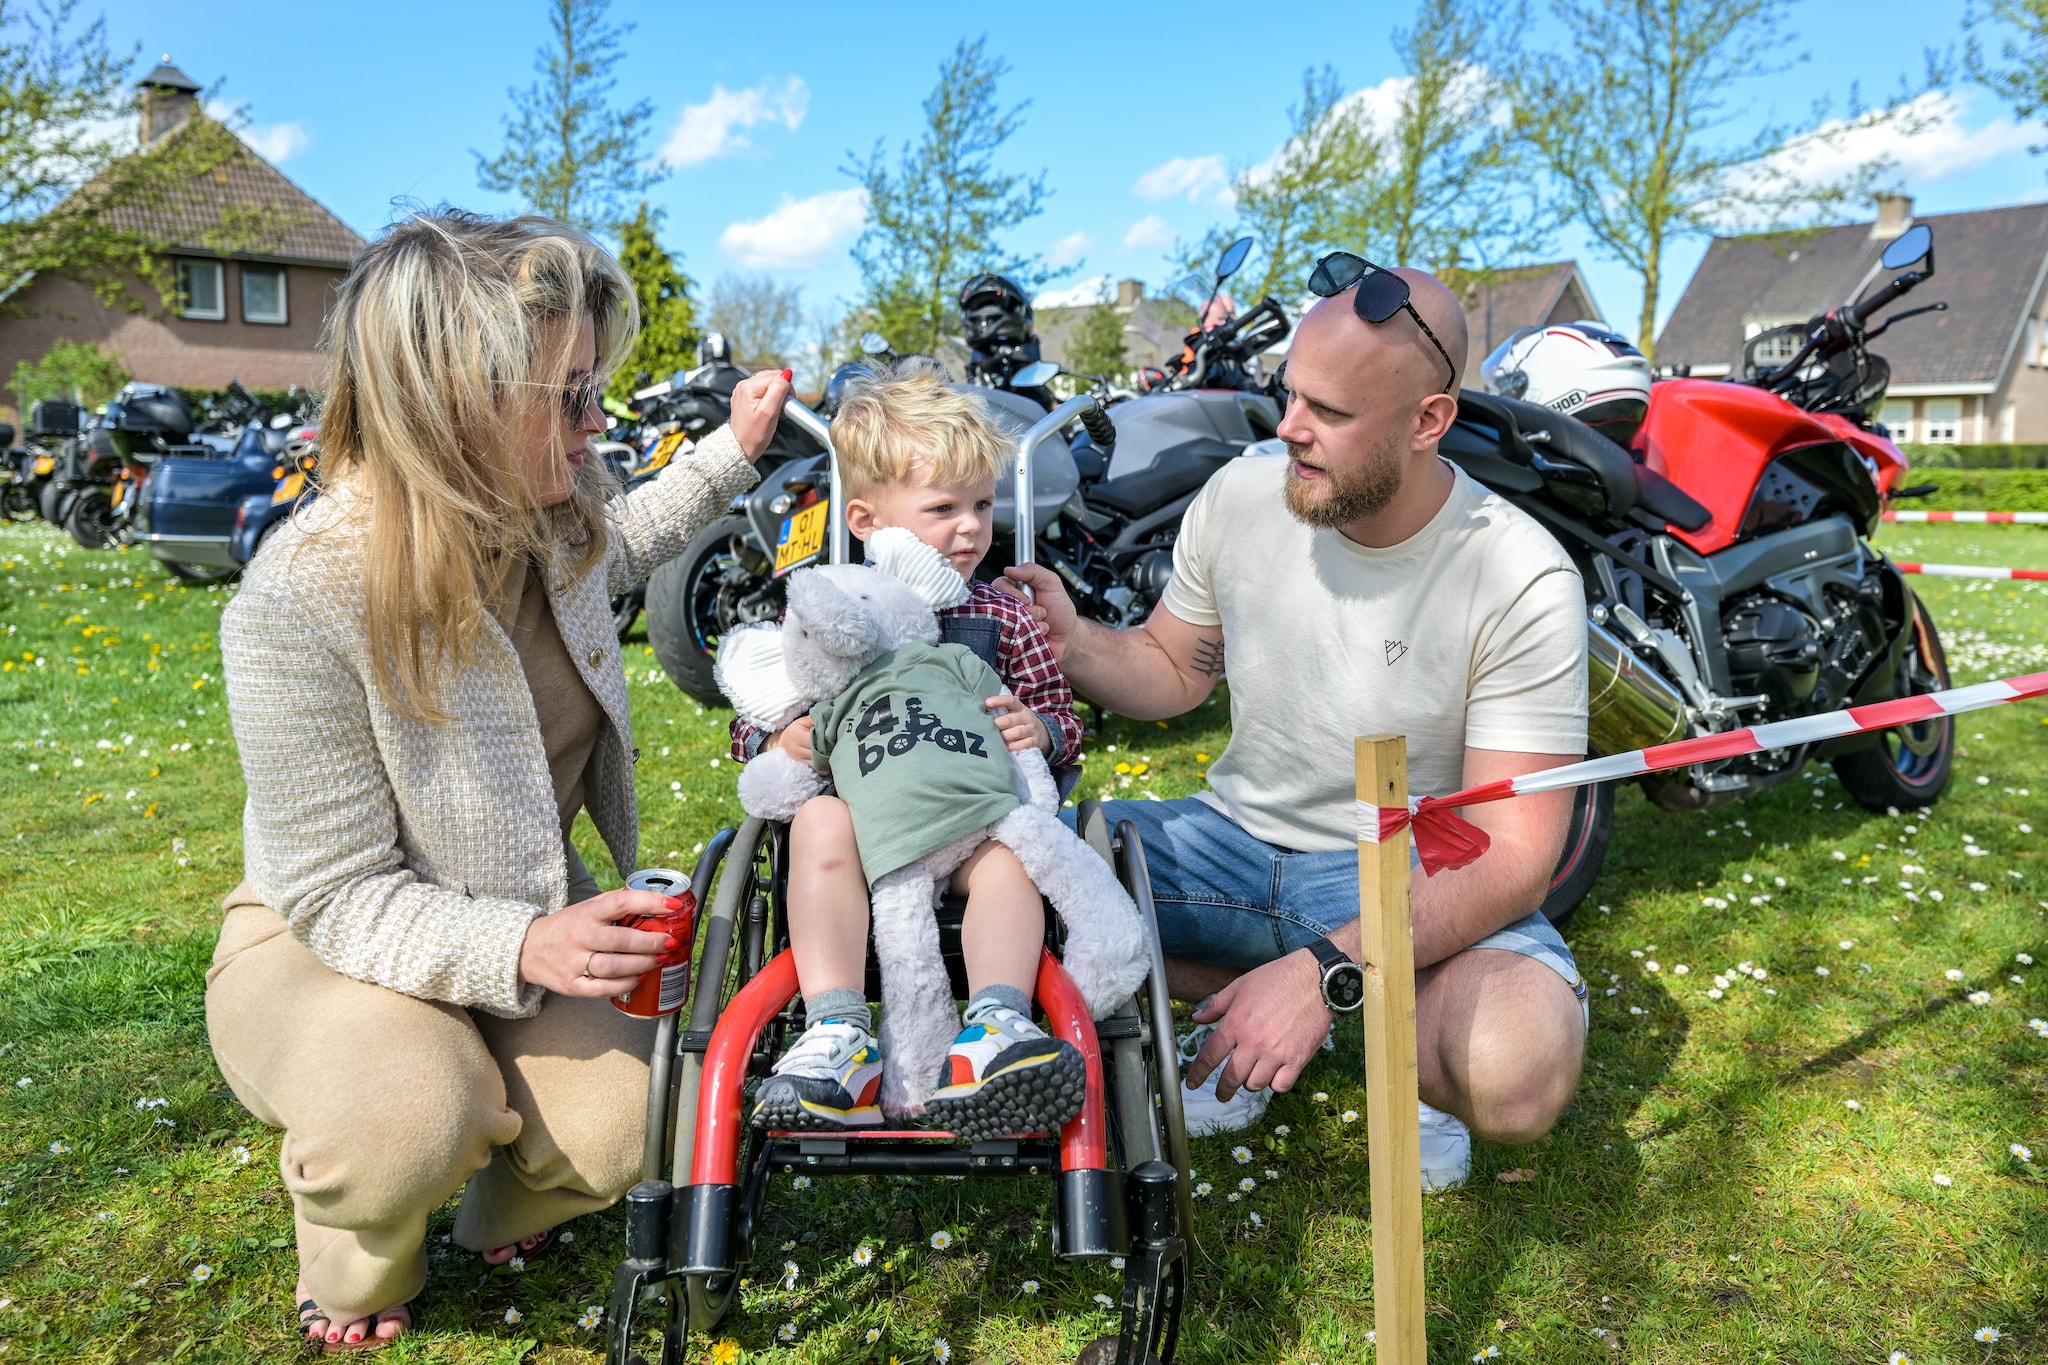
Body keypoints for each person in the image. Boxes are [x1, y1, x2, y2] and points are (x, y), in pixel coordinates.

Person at [206, 209, 791, 1353]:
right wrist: (523, 950)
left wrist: (734, 449)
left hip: (527, 920)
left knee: (640, 1120)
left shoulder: (544, 526)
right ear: (451, 400)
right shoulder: (296, 601)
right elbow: (332, 895)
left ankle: (496, 1208)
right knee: (409, 1113)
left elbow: (630, 538)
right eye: (566, 394)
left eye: (593, 384)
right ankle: (355, 1260)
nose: (596, 420)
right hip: (322, 945)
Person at [1006, 259, 1590, 1190]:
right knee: (1012, 879)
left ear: (1429, 420)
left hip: (1405, 867)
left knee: (1515, 1067)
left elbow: (1515, 853)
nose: (1288, 429)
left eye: (1330, 412)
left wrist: (1328, 965)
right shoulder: (1245, 493)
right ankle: (1256, 1022)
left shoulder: (1521, 575)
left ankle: (1347, 1026)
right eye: (1289, 397)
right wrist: (1074, 642)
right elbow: (1170, 668)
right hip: (1226, 847)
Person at [731, 364, 1086, 1135]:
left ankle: (996, 1025)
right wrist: (778, 736)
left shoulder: (1005, 617)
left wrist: (1042, 729)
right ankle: (837, 1031)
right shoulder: (834, 609)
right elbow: (753, 718)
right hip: (865, 835)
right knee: (819, 820)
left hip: (968, 828)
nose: (970, 527)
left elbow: (1065, 718)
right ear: (865, 519)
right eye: (943, 508)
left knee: (1009, 857)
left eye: (984, 506)